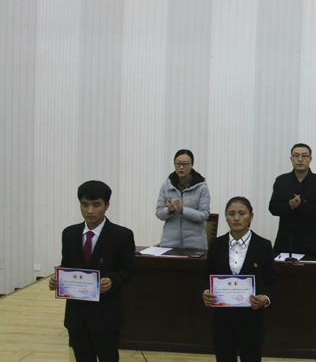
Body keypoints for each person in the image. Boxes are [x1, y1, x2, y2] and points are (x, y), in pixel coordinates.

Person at [48, 180, 136, 362]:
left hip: (106, 314)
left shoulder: (121, 236)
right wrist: (57, 281)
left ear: (106, 206)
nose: (89, 211)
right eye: (84, 205)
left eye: (96, 205)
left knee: (107, 357)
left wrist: (112, 281)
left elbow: (129, 270)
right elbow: (66, 266)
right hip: (76, 315)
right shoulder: (69, 234)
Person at [202, 197, 276, 362]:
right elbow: (206, 277)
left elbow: (272, 282)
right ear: (226, 217)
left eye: (242, 214)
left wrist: (266, 299)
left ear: (251, 216)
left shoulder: (263, 245)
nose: (236, 218)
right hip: (222, 318)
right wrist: (205, 292)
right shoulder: (216, 244)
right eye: (231, 214)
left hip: (251, 318)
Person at [269, 143, 316, 255]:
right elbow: (273, 208)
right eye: (296, 155)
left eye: (304, 156)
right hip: (285, 241)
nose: (300, 159)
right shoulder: (282, 181)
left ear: (310, 159)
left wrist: (301, 205)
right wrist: (290, 207)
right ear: (291, 159)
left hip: (310, 243)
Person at [155, 149, 211, 249]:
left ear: (192, 165)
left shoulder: (201, 187)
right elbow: (159, 213)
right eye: (178, 164)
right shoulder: (167, 186)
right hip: (169, 243)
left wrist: (183, 210)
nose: (181, 167)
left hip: (195, 243)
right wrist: (169, 210)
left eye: (185, 164)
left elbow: (204, 215)